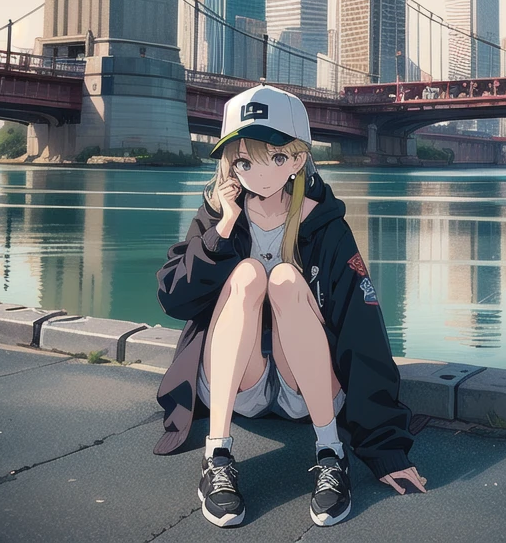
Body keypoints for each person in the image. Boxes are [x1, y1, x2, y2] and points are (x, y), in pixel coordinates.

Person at [153, 83, 427, 528]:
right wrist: (222, 230)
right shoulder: (215, 215)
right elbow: (174, 299)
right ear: (230, 163)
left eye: (275, 157)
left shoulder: (326, 226)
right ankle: (217, 457)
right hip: (239, 384)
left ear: (297, 158)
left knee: (282, 277)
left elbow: (363, 327)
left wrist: (385, 448)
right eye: (244, 160)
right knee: (248, 275)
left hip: (309, 387)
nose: (259, 173)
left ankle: (330, 454)